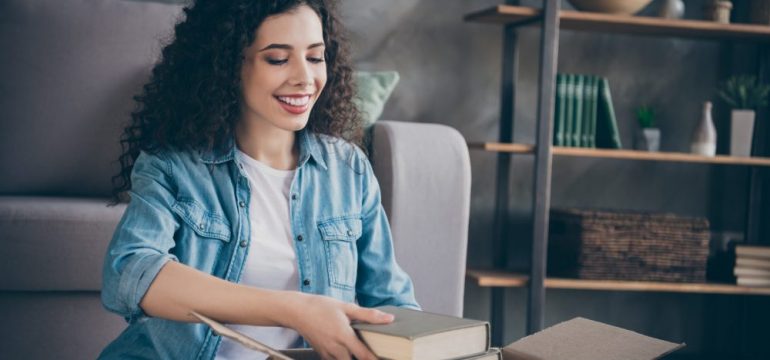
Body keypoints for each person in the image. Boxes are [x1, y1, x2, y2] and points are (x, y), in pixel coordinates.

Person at [99, 1, 419, 359]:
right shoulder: (173, 166)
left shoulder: (349, 168)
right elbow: (129, 272)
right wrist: (294, 309)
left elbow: (392, 305)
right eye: (278, 59)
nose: (304, 77)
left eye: (315, 57)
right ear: (228, 65)